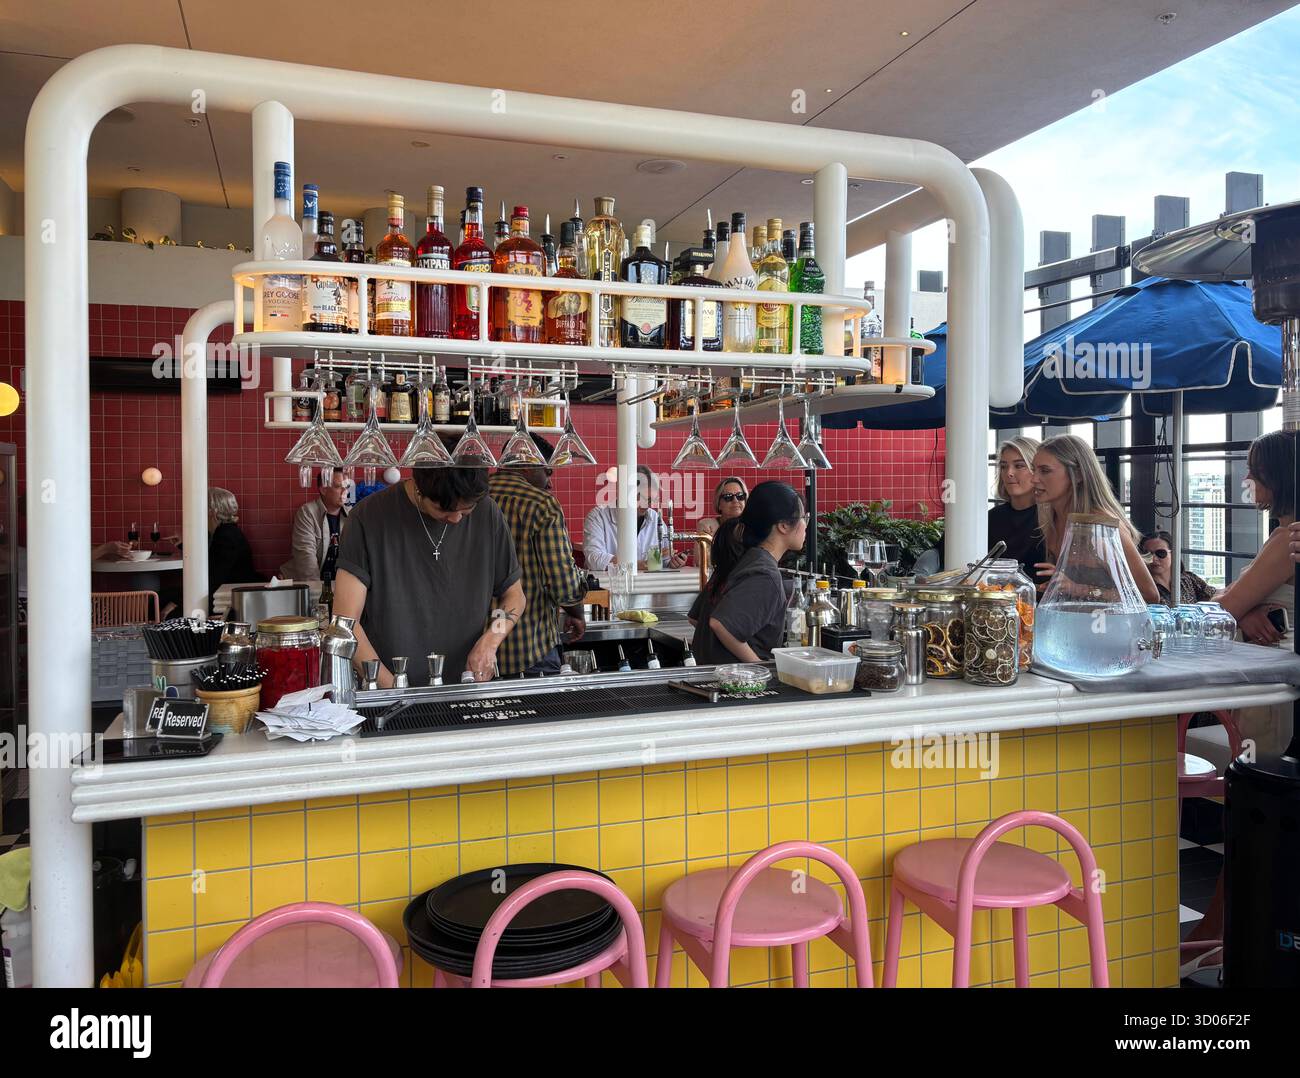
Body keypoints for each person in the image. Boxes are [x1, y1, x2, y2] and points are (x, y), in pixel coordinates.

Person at [334, 455, 525, 687]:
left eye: (466, 511)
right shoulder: (367, 518)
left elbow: (513, 595)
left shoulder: (488, 513)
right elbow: (346, 623)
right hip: (388, 689)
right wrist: (394, 690)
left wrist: (491, 640)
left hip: (466, 685)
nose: (455, 519)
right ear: (418, 488)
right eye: (444, 509)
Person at [488, 435, 588, 677]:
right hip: (527, 648)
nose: (550, 482)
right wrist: (576, 613)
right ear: (526, 465)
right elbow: (563, 582)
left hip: (474, 649)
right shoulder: (541, 504)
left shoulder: (472, 497)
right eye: (547, 471)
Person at [1029, 434, 1159, 603]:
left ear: (1078, 475)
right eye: (1034, 470)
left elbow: (1148, 595)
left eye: (1045, 471)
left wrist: (1079, 589)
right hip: (1073, 624)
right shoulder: (1051, 519)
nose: (1033, 479)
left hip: (1110, 627)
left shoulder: (1101, 524)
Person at [695, 481, 805, 664]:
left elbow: (697, 619)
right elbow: (720, 624)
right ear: (783, 525)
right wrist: (759, 666)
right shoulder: (765, 574)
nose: (805, 525)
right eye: (803, 517)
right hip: (736, 683)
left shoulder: (744, 558)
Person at [582, 464, 687, 571]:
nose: (647, 505)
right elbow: (594, 559)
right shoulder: (598, 517)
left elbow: (663, 559)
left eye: (651, 500)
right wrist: (641, 564)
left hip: (647, 585)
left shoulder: (655, 519)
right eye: (643, 498)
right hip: (610, 585)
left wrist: (672, 563)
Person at [987, 436, 1045, 577]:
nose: (1009, 473)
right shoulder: (991, 517)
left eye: (1019, 466)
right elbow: (941, 551)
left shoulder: (1053, 518)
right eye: (1004, 466)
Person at [279, 467, 348, 581]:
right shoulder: (307, 512)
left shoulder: (351, 515)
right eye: (338, 486)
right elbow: (305, 557)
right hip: (306, 584)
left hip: (337, 586)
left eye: (346, 486)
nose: (344, 491)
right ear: (323, 490)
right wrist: (316, 592)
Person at [207, 487, 261, 600]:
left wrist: (179, 603)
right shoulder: (227, 531)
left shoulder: (225, 537)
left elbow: (215, 578)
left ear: (212, 511)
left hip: (231, 595)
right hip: (231, 590)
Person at [1140, 531, 1215, 607]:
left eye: (1161, 553)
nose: (1154, 558)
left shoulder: (1189, 579)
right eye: (1147, 554)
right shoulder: (1142, 588)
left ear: (1173, 554)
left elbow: (1213, 596)